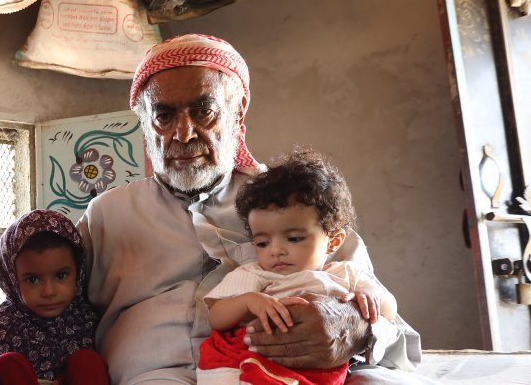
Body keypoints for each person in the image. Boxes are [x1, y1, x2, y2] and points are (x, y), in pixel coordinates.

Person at [76, 34, 423, 384]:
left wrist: (355, 327)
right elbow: (43, 307)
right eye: (163, 116)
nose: (183, 134)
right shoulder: (106, 215)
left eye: (203, 111)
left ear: (238, 111)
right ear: (144, 124)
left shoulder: (294, 200)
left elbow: (393, 328)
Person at [198, 149, 397, 385]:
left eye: (294, 239)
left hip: (319, 370)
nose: (275, 250)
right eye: (262, 243)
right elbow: (217, 317)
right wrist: (249, 302)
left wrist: (369, 296)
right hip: (256, 361)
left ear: (333, 241)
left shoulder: (345, 274)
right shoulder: (255, 274)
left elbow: (388, 310)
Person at [0, 210, 109, 385]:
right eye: (33, 279)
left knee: (88, 361)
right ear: (12, 279)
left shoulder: (86, 317)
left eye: (61, 276)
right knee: (6, 363)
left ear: (78, 271)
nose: (49, 292)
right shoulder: (4, 323)